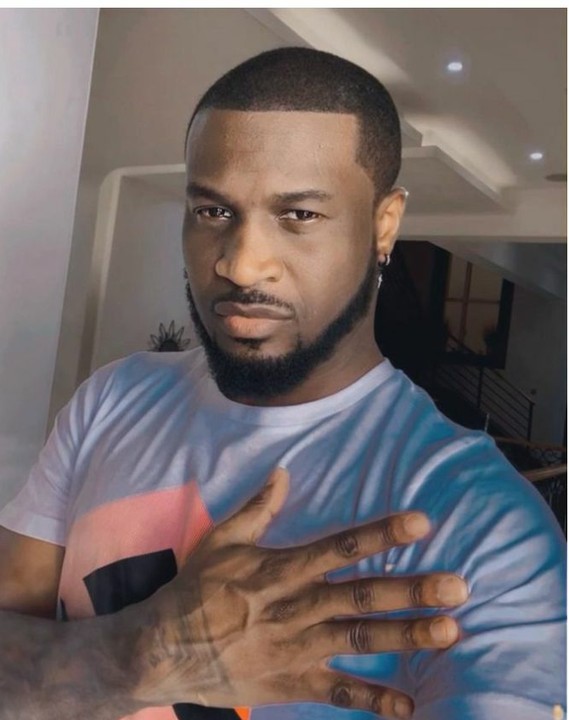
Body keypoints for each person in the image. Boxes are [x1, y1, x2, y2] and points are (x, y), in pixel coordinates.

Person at [0, 47, 564, 720]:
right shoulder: (113, 397)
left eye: (298, 215)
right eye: (213, 212)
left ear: (383, 225)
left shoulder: (481, 521)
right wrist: (140, 653)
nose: (242, 266)